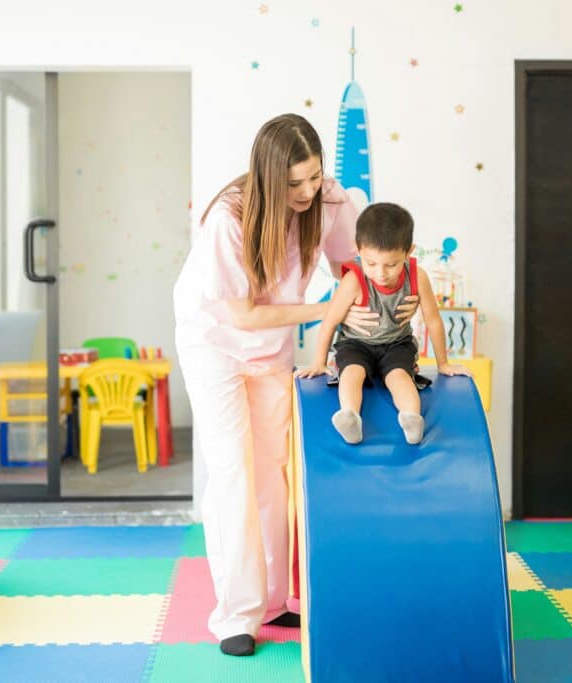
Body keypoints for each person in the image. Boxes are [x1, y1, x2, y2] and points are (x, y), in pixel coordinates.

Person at [173, 115, 417, 656]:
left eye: (314, 176)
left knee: (272, 471)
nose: (308, 191)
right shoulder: (229, 218)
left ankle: (271, 599)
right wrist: (326, 311)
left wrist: (392, 308)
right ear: (268, 177)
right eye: (294, 183)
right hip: (214, 345)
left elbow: (358, 267)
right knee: (234, 471)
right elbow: (243, 314)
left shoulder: (329, 200)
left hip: (271, 348)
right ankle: (235, 616)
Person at [296, 202, 471, 445]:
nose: (380, 273)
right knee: (352, 373)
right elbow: (330, 321)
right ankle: (350, 416)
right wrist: (319, 362)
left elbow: (433, 320)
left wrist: (444, 363)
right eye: (371, 263)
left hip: (396, 344)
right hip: (356, 344)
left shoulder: (417, 277)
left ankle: (412, 418)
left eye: (391, 265)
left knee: (399, 376)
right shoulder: (353, 280)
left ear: (409, 252)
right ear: (358, 250)